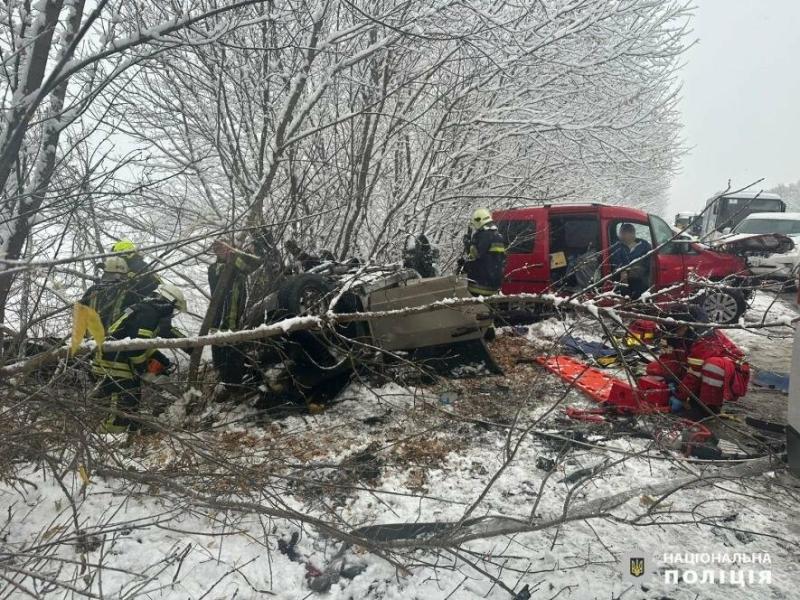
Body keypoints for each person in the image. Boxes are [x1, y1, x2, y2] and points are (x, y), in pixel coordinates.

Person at [91, 283, 187, 432]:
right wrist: (143, 368)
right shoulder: (148, 314)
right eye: (173, 309)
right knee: (123, 400)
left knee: (133, 395)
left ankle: (130, 426)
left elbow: (141, 343)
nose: (172, 314)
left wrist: (161, 360)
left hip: (115, 356)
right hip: (113, 360)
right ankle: (109, 435)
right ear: (167, 302)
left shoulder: (145, 309)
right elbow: (135, 348)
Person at [646, 305, 750, 422]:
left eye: (675, 330)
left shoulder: (706, 338)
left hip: (731, 372)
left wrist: (680, 396)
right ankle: (679, 394)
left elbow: (694, 373)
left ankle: (708, 408)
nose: (672, 334)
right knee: (655, 368)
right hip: (696, 369)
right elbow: (667, 359)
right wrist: (668, 383)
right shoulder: (672, 334)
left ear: (684, 325)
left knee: (713, 366)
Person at [207, 239, 260, 396]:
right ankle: (222, 374)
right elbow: (218, 277)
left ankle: (233, 379)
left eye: (223, 248)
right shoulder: (213, 268)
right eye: (217, 249)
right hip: (218, 311)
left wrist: (240, 254)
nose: (220, 251)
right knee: (217, 338)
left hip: (235, 307)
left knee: (231, 338)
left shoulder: (239, 262)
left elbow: (251, 266)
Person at [78, 256, 134, 328]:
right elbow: (132, 311)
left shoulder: (93, 290)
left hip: (92, 337)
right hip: (118, 337)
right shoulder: (129, 291)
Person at [462, 208, 506, 296]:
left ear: (478, 221)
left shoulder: (481, 236)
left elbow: (474, 256)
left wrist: (467, 244)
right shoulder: (498, 236)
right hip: (494, 284)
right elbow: (499, 259)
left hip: (479, 284)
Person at [610, 223, 651, 298]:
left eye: (624, 233)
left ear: (633, 233)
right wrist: (623, 271)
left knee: (642, 289)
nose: (622, 236)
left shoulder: (644, 245)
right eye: (621, 233)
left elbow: (650, 260)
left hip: (640, 278)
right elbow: (615, 261)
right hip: (621, 278)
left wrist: (640, 269)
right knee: (622, 287)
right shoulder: (616, 246)